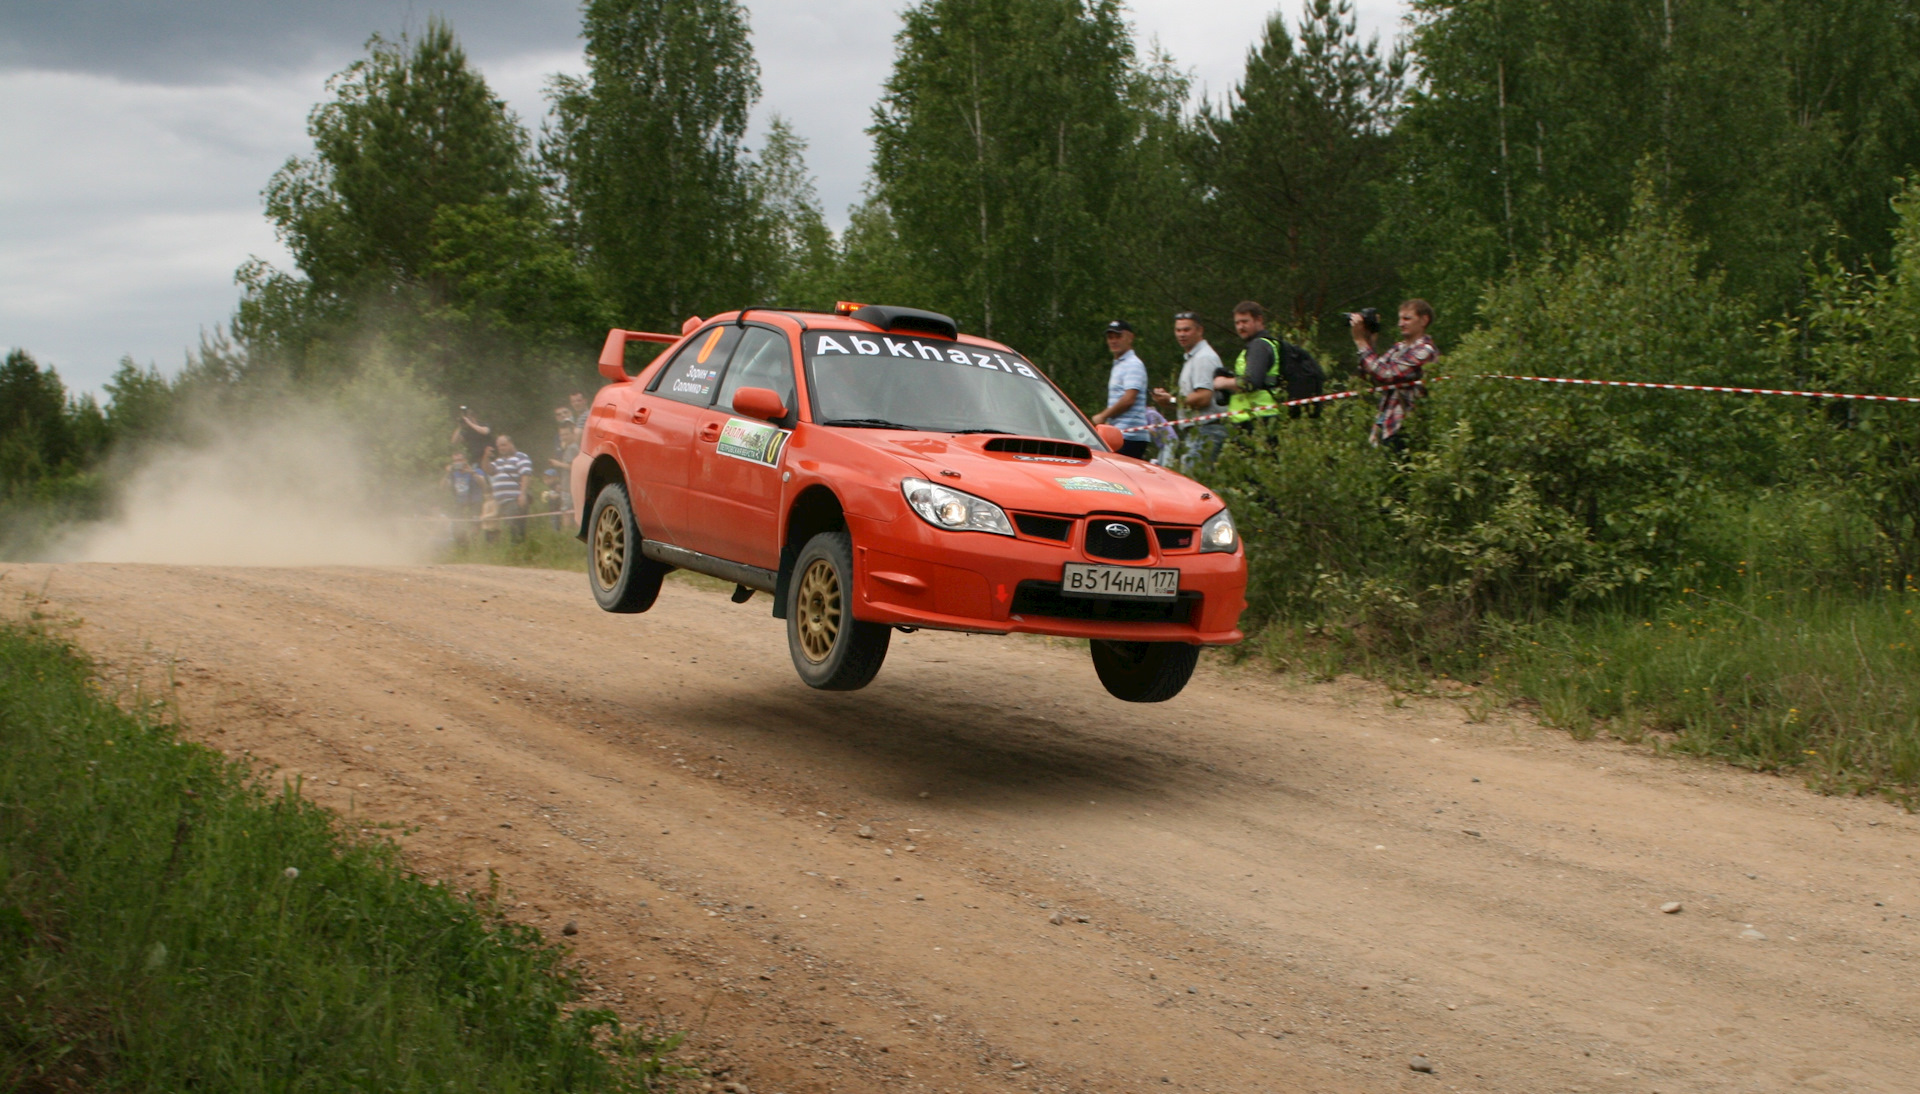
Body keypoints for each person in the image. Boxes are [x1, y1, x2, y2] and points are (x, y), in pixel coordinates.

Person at [1351, 299, 1438, 452]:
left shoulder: (1425, 350)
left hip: (1408, 427)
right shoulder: (1398, 348)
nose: (1401, 323)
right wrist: (1370, 340)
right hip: (1386, 425)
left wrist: (1360, 342)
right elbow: (1370, 375)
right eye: (1400, 319)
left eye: (1407, 319)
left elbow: (1386, 374)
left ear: (1424, 320)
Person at [1152, 311, 1228, 471]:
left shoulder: (1203, 358)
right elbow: (1192, 402)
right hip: (1198, 431)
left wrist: (1173, 400)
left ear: (1200, 330)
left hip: (1206, 431)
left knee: (1196, 484)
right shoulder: (1192, 358)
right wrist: (1168, 401)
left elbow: (1204, 397)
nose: (1181, 334)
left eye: (1187, 330)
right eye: (1178, 330)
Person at [1211, 302, 1284, 427]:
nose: (1240, 327)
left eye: (1245, 321)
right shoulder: (1260, 345)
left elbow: (1250, 382)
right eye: (1237, 323)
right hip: (1254, 417)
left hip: (1258, 419)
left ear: (1259, 320)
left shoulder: (1259, 346)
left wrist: (1222, 382)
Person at [1089, 319, 1152, 458]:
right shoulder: (1119, 364)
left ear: (1130, 338)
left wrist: (1103, 416)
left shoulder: (1133, 364)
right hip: (1118, 434)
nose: (1113, 341)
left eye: (1118, 336)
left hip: (1130, 436)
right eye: (1110, 337)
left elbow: (1129, 399)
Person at [487, 433, 534, 543]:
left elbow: (526, 475)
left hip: (514, 500)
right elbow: (489, 470)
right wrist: (485, 457)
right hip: (502, 502)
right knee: (507, 528)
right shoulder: (498, 461)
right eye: (499, 446)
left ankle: (518, 551)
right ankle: (513, 551)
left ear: (511, 444)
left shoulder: (521, 457)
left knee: (515, 528)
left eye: (503, 445)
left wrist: (522, 494)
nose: (501, 448)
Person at [443, 453, 485, 542]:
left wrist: (472, 472)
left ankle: (475, 546)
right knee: (458, 528)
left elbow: (484, 485)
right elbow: (443, 487)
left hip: (474, 503)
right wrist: (447, 473)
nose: (457, 463)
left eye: (460, 460)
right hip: (460, 504)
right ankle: (462, 549)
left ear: (465, 460)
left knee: (475, 529)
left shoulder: (476, 470)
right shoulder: (453, 474)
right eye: (455, 461)